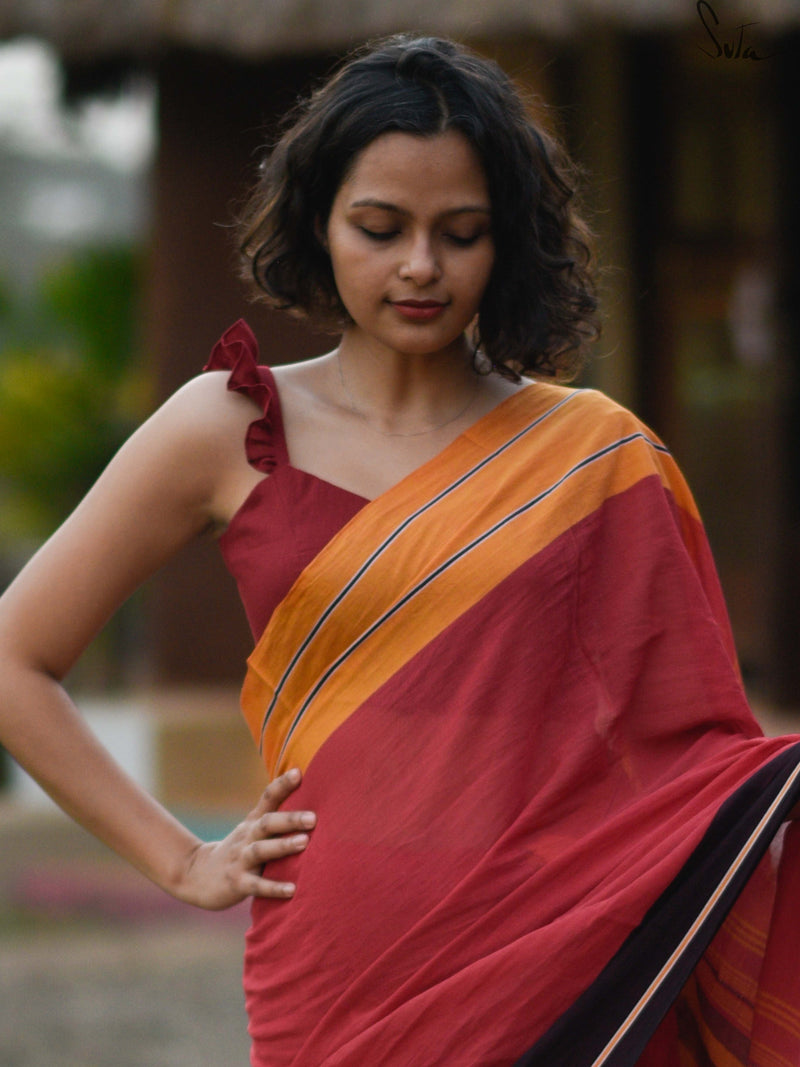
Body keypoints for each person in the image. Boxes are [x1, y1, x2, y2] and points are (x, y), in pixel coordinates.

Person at [0, 33, 798, 1067]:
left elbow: (695, 755)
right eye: (379, 228)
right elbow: (15, 659)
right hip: (337, 968)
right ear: (319, 224)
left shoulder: (591, 454)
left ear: (505, 239)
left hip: (560, 945)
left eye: (459, 232)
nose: (419, 266)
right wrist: (183, 858)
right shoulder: (229, 424)